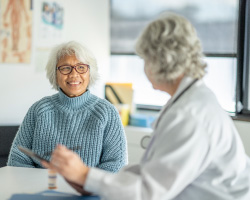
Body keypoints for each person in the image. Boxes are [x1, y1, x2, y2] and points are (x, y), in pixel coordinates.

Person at [42, 13, 250, 200]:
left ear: (162, 60)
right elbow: (156, 170)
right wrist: (91, 182)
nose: (143, 67)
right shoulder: (189, 100)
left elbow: (149, 192)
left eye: (145, 59)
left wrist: (85, 175)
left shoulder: (190, 115)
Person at [7, 41, 127, 174]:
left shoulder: (107, 112)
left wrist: (83, 182)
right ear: (55, 74)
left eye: (81, 67)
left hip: (87, 192)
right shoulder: (39, 109)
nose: (74, 74)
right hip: (41, 190)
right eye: (65, 68)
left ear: (90, 72)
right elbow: (17, 160)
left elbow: (116, 164)